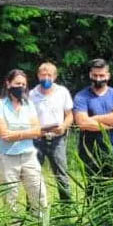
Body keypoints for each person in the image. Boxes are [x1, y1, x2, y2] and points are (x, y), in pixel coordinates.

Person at [0, 69, 48, 213]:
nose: (21, 87)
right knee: (10, 197)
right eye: (17, 83)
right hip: (7, 158)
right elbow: (4, 135)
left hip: (29, 156)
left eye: (23, 84)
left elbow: (37, 131)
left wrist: (15, 133)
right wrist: (28, 133)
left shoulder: (29, 105)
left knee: (39, 193)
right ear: (8, 83)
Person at [73, 58, 113, 200]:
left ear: (108, 76)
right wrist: (110, 122)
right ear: (90, 75)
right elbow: (82, 123)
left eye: (102, 75)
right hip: (89, 150)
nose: (98, 79)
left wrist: (94, 119)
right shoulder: (81, 96)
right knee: (93, 188)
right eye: (95, 75)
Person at [30, 62, 73, 202]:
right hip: (37, 139)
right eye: (43, 74)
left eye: (49, 75)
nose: (46, 77)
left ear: (54, 76)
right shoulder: (32, 94)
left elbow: (70, 115)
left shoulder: (63, 92)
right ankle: (32, 207)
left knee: (61, 174)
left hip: (58, 139)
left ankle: (66, 206)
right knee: (33, 174)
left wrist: (64, 127)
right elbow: (29, 117)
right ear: (38, 76)